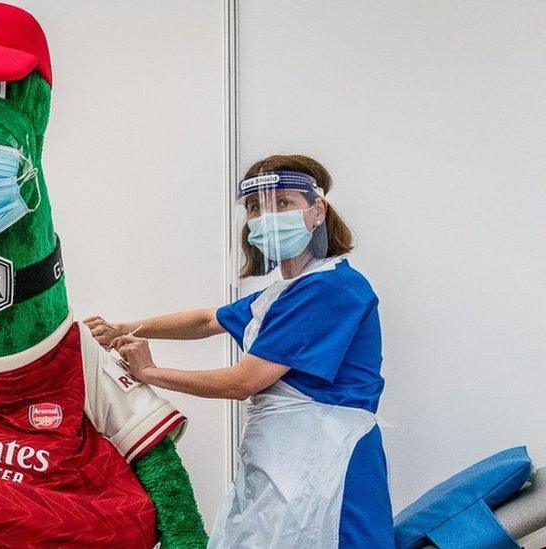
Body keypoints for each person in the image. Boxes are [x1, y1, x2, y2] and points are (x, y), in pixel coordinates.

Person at [86, 154, 394, 548]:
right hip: (281, 459)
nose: (267, 217)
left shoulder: (331, 290)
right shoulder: (281, 294)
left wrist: (150, 373)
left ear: (317, 211)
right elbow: (206, 321)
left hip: (325, 461)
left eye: (283, 203)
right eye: (255, 208)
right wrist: (122, 329)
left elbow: (243, 382)